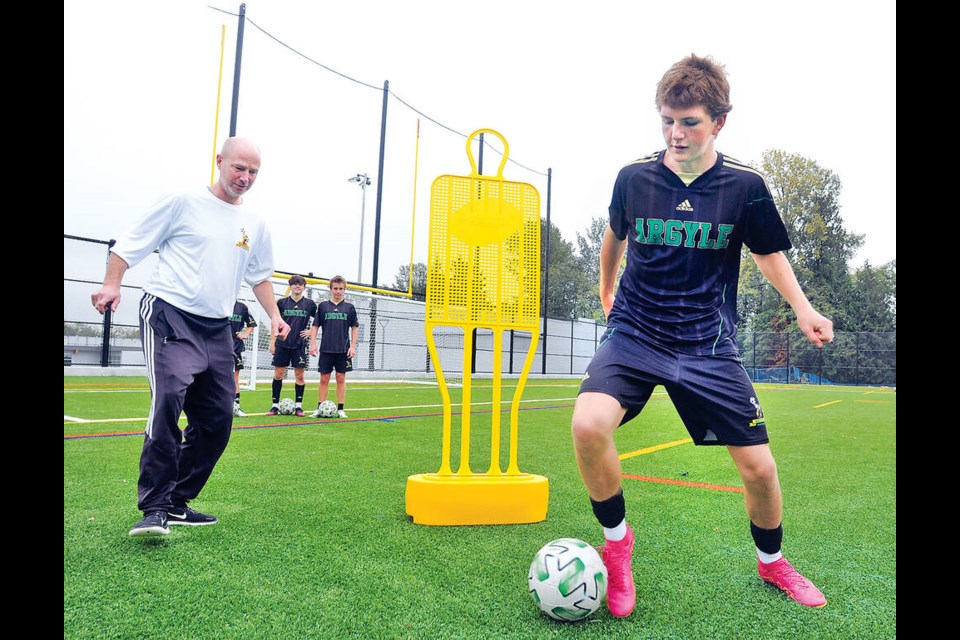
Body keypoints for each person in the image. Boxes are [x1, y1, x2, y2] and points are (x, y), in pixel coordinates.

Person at [572, 54, 832, 616]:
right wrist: (606, 288)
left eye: (689, 121)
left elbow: (767, 254)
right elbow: (613, 237)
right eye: (667, 120)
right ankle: (617, 548)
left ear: (718, 122)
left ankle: (773, 563)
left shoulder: (744, 186)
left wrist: (804, 308)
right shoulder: (633, 178)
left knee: (760, 470)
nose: (675, 133)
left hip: (706, 345)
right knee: (588, 425)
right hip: (636, 332)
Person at [91, 136, 290, 537]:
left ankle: (178, 500)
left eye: (253, 172)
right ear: (219, 162)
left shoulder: (254, 224)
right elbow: (128, 246)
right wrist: (113, 285)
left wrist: (274, 315)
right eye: (239, 168)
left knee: (218, 420)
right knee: (168, 404)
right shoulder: (182, 202)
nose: (245, 177)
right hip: (169, 315)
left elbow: (260, 276)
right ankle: (154, 507)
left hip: (218, 327)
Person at [309, 275, 359, 418]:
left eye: (341, 289)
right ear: (331, 289)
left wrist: (353, 346)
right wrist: (313, 344)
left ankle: (341, 408)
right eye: (335, 288)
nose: (338, 291)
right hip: (326, 349)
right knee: (324, 378)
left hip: (343, 350)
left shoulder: (349, 308)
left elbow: (354, 327)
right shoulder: (323, 306)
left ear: (344, 290)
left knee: (340, 378)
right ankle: (319, 408)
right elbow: (315, 326)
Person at [267, 275, 317, 417]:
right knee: (278, 375)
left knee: (299, 376)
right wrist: (272, 342)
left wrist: (310, 331)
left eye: (300, 284)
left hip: (299, 345)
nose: (297, 286)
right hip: (282, 344)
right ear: (290, 286)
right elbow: (275, 323)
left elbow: (318, 322)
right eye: (294, 284)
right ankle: (274, 406)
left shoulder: (310, 304)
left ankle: (299, 407)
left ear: (304, 287)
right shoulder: (282, 303)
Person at [230, 300, 258, 417]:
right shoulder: (218, 302)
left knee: (235, 377)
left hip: (236, 346)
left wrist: (245, 334)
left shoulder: (241, 307)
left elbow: (251, 324)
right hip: (217, 346)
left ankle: (236, 407)